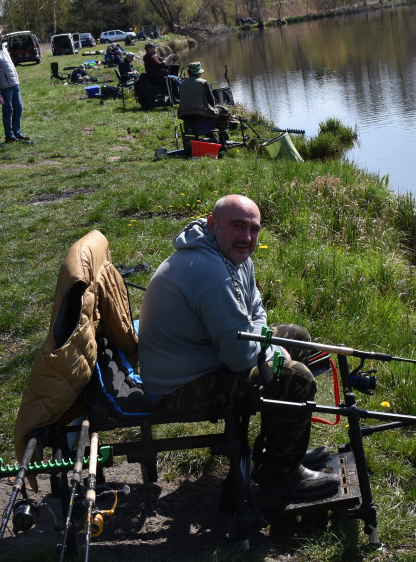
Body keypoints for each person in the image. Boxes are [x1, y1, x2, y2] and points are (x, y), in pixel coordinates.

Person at [137, 195, 339, 501]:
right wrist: (273, 354)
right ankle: (279, 477)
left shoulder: (233, 256)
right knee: (293, 377)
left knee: (296, 337)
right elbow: (239, 355)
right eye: (237, 226)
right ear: (212, 224)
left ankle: (278, 453)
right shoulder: (209, 272)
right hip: (176, 386)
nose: (246, 237)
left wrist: (270, 346)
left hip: (205, 359)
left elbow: (256, 311)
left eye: (254, 229)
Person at [0, 25, 28, 143]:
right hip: (4, 86)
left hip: (14, 84)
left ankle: (17, 133)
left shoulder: (3, 48)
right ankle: (9, 136)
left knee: (18, 108)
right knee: (8, 111)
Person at [178, 62, 235, 144]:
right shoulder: (204, 82)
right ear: (200, 73)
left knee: (207, 112)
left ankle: (211, 136)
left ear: (188, 73)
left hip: (184, 116)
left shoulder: (182, 84)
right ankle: (224, 139)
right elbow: (212, 102)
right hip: (199, 115)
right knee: (224, 110)